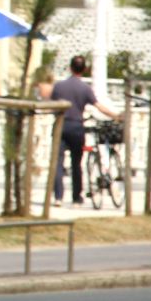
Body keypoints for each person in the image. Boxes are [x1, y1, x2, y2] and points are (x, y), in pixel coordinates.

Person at [50, 56, 120, 206]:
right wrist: (115, 115)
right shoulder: (85, 88)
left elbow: (51, 104)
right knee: (76, 164)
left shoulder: (59, 86)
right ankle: (76, 198)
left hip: (60, 126)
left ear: (70, 67)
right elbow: (98, 106)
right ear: (84, 69)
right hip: (77, 127)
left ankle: (58, 197)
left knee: (57, 163)